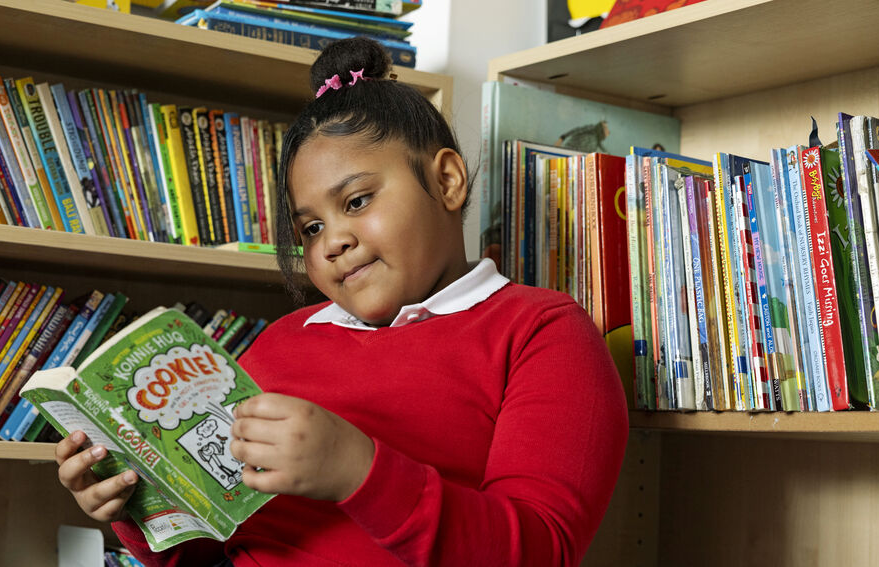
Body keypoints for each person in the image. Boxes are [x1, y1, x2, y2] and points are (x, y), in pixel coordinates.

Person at [55, 37, 629, 567]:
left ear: (448, 181)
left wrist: (358, 471)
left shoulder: (541, 330)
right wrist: (137, 507)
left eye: (356, 201)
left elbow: (540, 551)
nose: (332, 242)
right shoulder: (281, 345)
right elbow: (210, 552)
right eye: (309, 228)